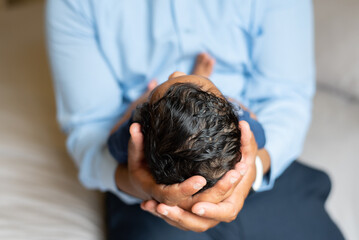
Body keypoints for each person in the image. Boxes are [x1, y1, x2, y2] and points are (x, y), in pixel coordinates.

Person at [46, 0, 344, 239]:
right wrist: (140, 184)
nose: (176, 73)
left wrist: (253, 169)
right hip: (146, 195)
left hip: (258, 173)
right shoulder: (240, 122)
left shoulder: (134, 127)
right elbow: (92, 132)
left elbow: (286, 99)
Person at [107, 59, 266, 191]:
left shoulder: (134, 132)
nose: (175, 73)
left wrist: (145, 97)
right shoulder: (242, 124)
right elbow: (259, 132)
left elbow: (112, 144)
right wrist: (230, 102)